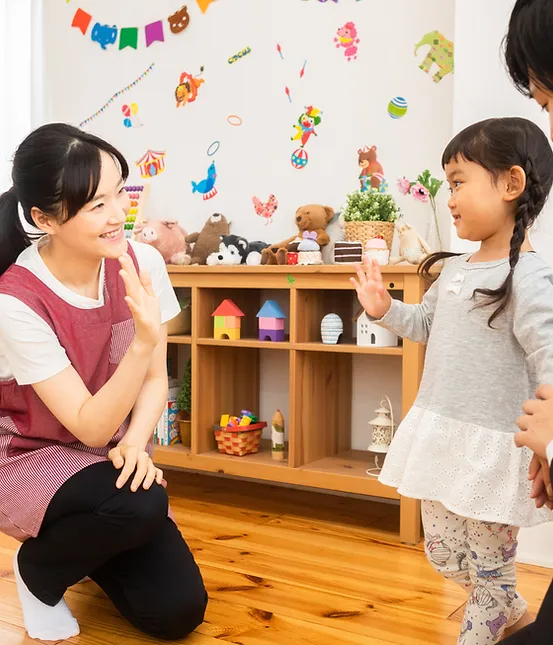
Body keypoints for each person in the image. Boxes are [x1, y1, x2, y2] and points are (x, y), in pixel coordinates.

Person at [0, 123, 207, 641]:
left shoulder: (144, 261)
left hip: (109, 458)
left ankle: (89, 544)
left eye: (119, 192)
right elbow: (90, 427)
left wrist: (137, 444)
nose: (119, 215)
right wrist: (140, 341)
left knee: (177, 612)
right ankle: (38, 573)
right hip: (28, 455)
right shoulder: (17, 300)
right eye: (96, 205)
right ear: (44, 218)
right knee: (138, 502)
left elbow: (157, 378)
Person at [352, 116, 553, 644]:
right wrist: (383, 309)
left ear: (511, 184)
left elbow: (550, 356)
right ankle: (506, 605)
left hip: (493, 447)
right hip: (441, 433)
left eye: (459, 181)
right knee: (442, 552)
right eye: (447, 184)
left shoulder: (529, 279)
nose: (449, 197)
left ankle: (488, 614)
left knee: (488, 569)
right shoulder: (456, 270)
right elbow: (424, 325)